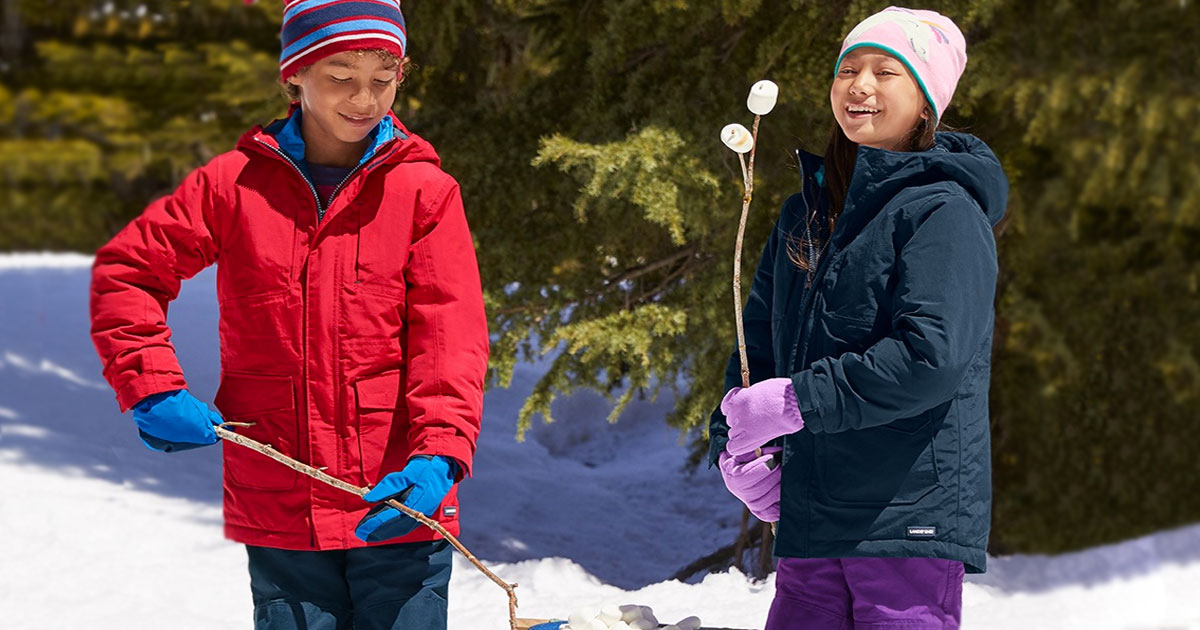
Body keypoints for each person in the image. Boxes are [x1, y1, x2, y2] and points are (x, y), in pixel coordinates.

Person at [89, 1, 488, 628]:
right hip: (281, 507)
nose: (364, 99)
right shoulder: (233, 185)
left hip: (400, 497)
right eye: (339, 77)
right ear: (294, 76)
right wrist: (150, 385)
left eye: (382, 79)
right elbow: (128, 273)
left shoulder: (425, 193)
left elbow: (450, 336)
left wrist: (438, 453)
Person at [709, 7, 1007, 629]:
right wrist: (734, 445)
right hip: (813, 513)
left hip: (905, 515)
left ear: (926, 101)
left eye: (885, 71)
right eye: (848, 69)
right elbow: (757, 352)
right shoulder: (804, 216)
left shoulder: (943, 212)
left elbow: (931, 358)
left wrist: (795, 402)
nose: (860, 85)